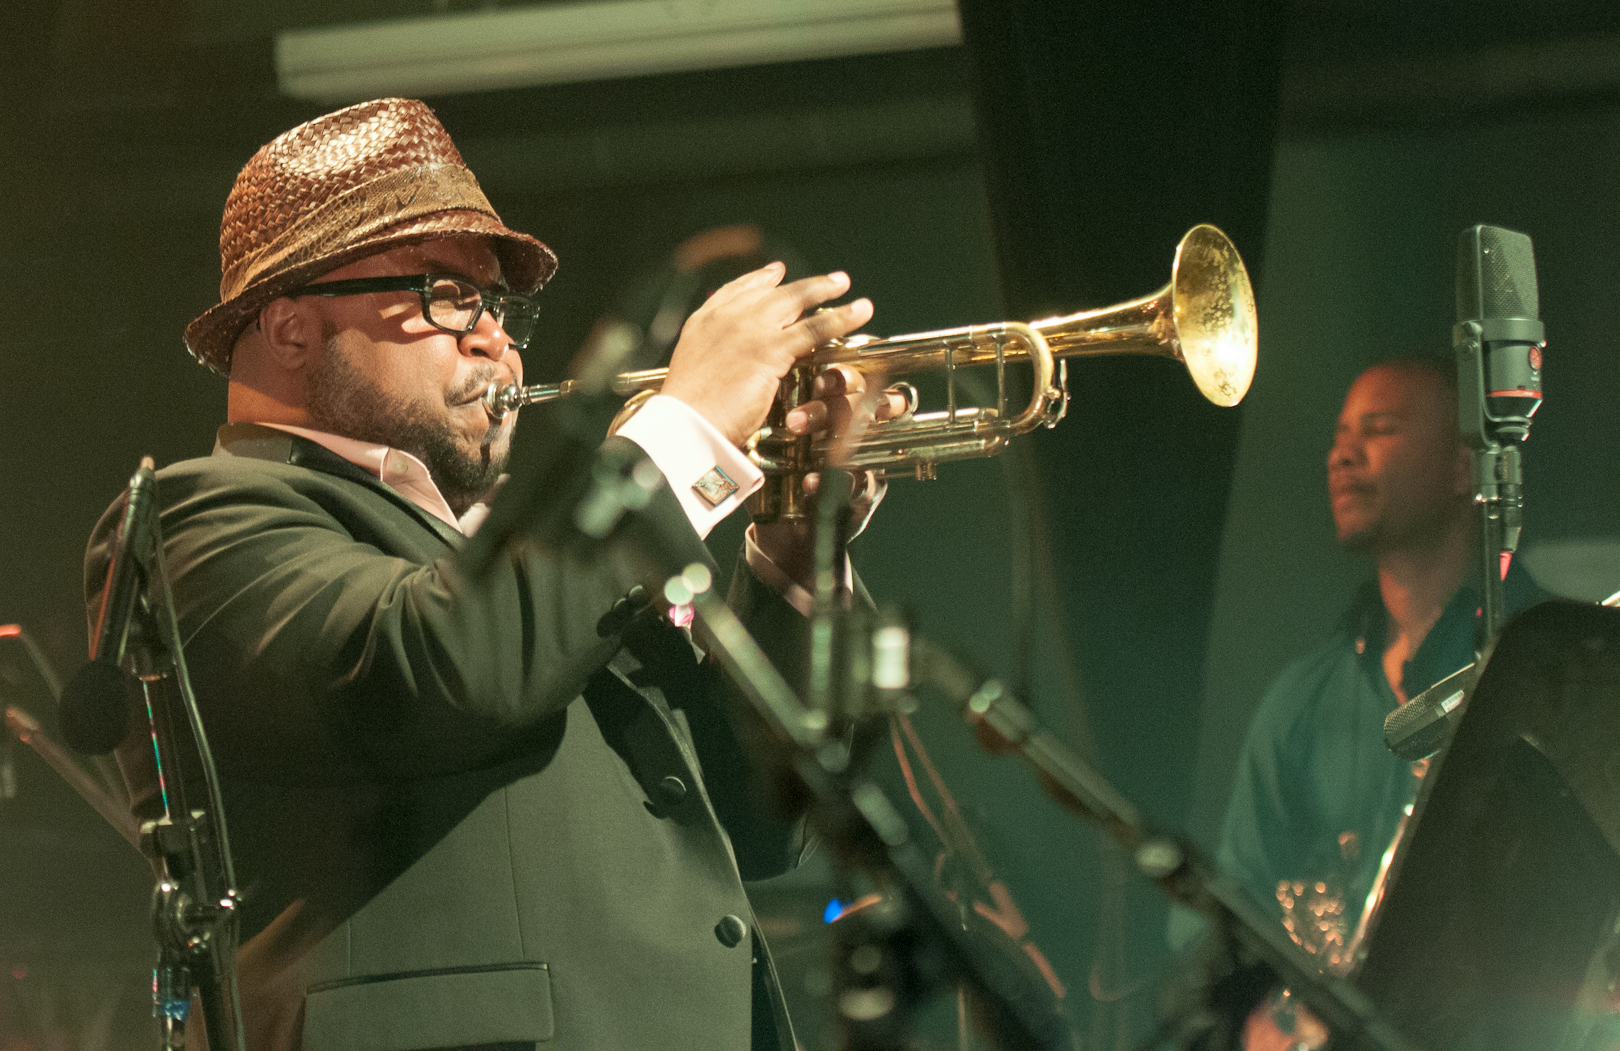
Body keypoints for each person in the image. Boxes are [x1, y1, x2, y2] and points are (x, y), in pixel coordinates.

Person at [87, 98, 899, 1051]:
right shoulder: (199, 518)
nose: (493, 339)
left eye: (498, 307)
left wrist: (797, 552)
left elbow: (765, 824)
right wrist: (684, 430)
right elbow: (439, 667)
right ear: (292, 326)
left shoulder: (532, 552)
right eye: (446, 294)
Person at [1211, 357, 1544, 1048]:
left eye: (1380, 428)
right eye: (1339, 436)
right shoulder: (1299, 703)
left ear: (1463, 468)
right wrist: (1259, 1014)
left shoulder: (1541, 665)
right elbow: (1224, 912)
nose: (1342, 454)